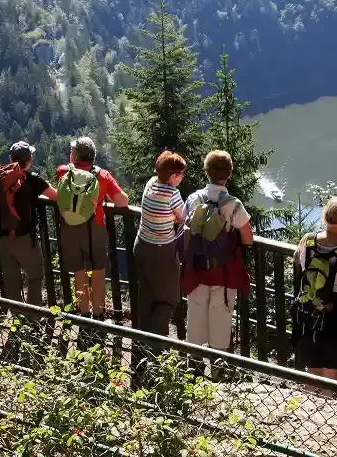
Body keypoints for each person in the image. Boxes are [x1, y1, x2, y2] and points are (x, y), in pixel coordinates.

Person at [291, 197, 337, 395]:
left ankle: (307, 416)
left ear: (325, 217)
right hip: (335, 319)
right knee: (331, 375)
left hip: (309, 315)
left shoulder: (307, 240)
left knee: (312, 372)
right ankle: (325, 412)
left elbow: (297, 262)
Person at [181, 150, 253, 353]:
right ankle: (219, 372)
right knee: (221, 326)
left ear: (206, 172)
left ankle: (193, 370)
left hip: (196, 273)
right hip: (223, 277)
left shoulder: (194, 199)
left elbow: (184, 227)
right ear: (229, 174)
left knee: (194, 325)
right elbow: (248, 238)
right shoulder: (233, 204)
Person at [56, 137, 128, 319]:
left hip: (70, 228)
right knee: (98, 272)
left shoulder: (63, 172)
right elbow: (122, 200)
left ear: (75, 156)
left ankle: (84, 312)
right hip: (94, 227)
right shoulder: (102, 176)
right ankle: (98, 315)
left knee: (79, 271)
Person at [0, 141, 57, 306]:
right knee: (35, 275)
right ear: (29, 159)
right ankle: (32, 317)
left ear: (11, 158)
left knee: (11, 279)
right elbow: (55, 197)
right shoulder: (32, 179)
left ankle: (17, 318)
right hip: (22, 237)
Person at [135, 151, 186, 336]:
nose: (183, 178)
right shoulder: (173, 194)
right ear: (173, 176)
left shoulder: (151, 183)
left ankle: (140, 339)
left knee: (147, 295)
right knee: (170, 298)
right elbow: (182, 217)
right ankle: (154, 342)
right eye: (181, 174)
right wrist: (171, 216)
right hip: (161, 251)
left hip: (141, 245)